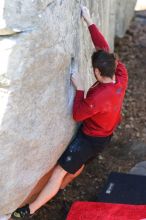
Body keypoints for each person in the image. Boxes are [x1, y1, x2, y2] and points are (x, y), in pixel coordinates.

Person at [10, 6, 128, 219]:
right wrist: (89, 22)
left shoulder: (97, 98)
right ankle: (60, 187)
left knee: (59, 172)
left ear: (97, 72)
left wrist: (80, 88)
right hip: (104, 134)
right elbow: (104, 48)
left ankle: (30, 209)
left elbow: (78, 114)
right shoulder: (121, 75)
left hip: (89, 139)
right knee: (78, 165)